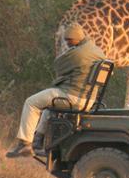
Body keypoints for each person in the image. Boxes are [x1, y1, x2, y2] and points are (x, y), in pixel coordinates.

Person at [6, 25, 106, 158]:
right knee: (48, 106)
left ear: (76, 38)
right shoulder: (98, 52)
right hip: (89, 100)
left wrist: (66, 52)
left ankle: (25, 144)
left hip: (73, 97)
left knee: (31, 102)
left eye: (69, 40)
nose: (68, 43)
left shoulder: (78, 54)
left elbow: (58, 66)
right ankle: (37, 142)